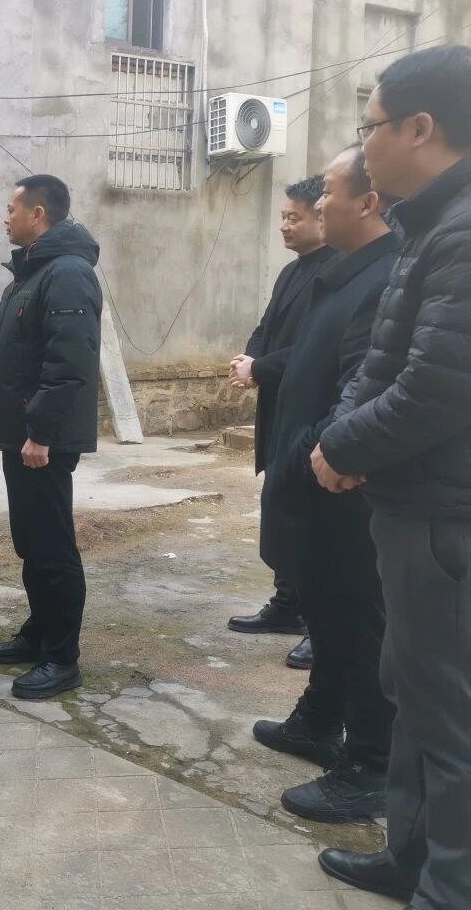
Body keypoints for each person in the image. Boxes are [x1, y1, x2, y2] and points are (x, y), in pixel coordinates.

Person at [314, 45, 471, 910]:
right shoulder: (429, 224)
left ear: (420, 127)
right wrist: (342, 440)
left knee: (448, 714)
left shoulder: (463, 230)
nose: (362, 142)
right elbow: (384, 363)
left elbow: (439, 387)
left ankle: (448, 886)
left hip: (445, 514)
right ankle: (410, 858)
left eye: (369, 124)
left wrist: (344, 449)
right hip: (411, 502)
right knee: (412, 691)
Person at [251, 145, 398, 823]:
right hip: (308, 480)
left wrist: (303, 458)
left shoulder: (387, 280)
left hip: (339, 488)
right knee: (329, 618)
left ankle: (369, 765)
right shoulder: (342, 273)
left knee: (359, 624)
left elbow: (359, 390)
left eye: (329, 193)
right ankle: (318, 721)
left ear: (368, 203)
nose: (318, 205)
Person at [0, 175, 101, 700]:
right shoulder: (33, 272)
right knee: (31, 542)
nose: (5, 217)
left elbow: (70, 362)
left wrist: (42, 432)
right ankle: (39, 631)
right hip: (23, 435)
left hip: (42, 439)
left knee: (52, 546)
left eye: (12, 209)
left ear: (38, 214)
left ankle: (62, 657)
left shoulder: (67, 273)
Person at [227, 176, 337, 671]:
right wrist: (248, 359)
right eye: (283, 218)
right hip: (280, 406)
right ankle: (287, 603)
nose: (285, 226)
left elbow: (315, 346)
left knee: (311, 520)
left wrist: (261, 368)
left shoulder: (337, 271)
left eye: (295, 217)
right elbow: (267, 326)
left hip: (313, 412)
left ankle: (320, 625)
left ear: (322, 216)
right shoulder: (292, 271)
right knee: (282, 509)